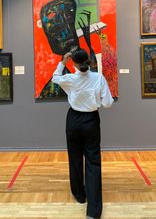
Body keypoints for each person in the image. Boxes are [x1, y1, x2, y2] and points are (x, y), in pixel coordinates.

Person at [52, 49, 114, 219]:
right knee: (93, 162)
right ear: (88, 61)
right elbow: (108, 103)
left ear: (75, 64)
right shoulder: (98, 78)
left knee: (75, 157)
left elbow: (55, 78)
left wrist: (63, 62)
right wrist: (95, 101)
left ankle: (80, 195)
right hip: (91, 120)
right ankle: (93, 211)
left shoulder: (70, 79)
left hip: (73, 119)